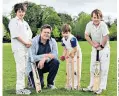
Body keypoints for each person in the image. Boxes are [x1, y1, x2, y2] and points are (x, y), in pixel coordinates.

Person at [82, 9, 110, 95]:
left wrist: (101, 46)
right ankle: (91, 86)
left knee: (103, 69)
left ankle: (101, 88)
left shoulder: (103, 25)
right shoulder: (89, 25)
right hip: (95, 47)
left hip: (104, 48)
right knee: (92, 67)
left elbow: (106, 37)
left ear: (101, 18)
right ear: (92, 17)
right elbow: (86, 36)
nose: (96, 19)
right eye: (94, 17)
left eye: (98, 17)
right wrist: (93, 44)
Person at [8, 3, 32, 94]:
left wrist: (29, 42)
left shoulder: (25, 23)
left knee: (25, 67)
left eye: (23, 11)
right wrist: (25, 42)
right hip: (18, 48)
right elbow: (16, 35)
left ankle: (22, 87)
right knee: (20, 68)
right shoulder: (13, 21)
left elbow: (29, 34)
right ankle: (19, 89)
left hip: (26, 48)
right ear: (16, 12)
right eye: (19, 11)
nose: (21, 13)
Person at [26, 24, 60, 89]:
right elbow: (31, 57)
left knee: (56, 62)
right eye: (45, 32)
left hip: (45, 64)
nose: (46, 34)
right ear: (41, 32)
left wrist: (44, 59)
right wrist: (45, 55)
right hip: (34, 65)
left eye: (48, 33)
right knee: (39, 86)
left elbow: (55, 55)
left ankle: (50, 84)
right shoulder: (33, 41)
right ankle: (31, 81)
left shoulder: (53, 41)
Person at [60, 24, 82, 90]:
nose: (65, 34)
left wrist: (70, 54)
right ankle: (69, 84)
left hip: (76, 53)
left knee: (75, 69)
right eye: (64, 33)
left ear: (69, 32)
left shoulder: (72, 39)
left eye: (67, 33)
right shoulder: (63, 39)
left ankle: (75, 85)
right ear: (62, 33)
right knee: (69, 69)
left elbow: (75, 49)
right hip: (69, 53)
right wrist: (63, 56)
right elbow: (65, 49)